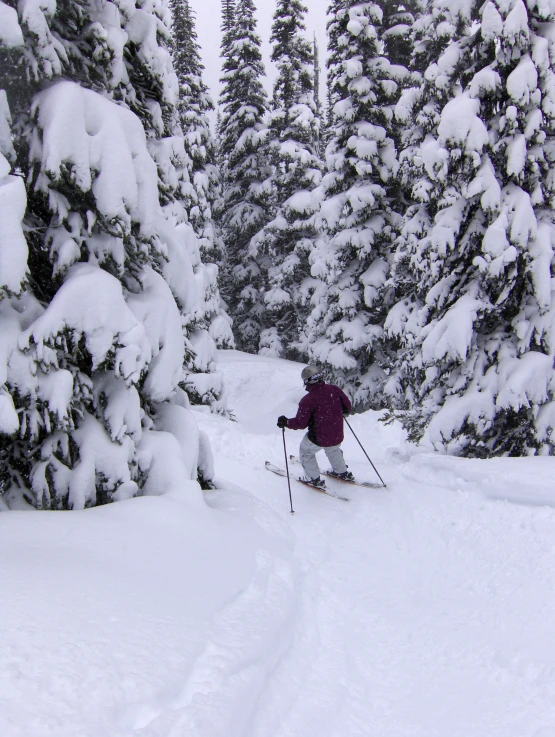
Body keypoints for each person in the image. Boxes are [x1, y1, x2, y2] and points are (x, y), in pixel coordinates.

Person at [277, 366, 354, 489]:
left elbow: (301, 423)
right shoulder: (334, 389)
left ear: (307, 381)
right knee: (333, 449)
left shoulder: (308, 400)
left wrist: (286, 422)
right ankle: (342, 472)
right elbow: (347, 407)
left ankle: (313, 478)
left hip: (319, 436)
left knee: (305, 452)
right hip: (337, 432)